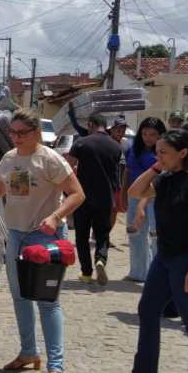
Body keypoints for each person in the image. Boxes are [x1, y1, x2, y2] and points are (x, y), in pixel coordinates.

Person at [113, 130, 188, 373]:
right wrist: (156, 167)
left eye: (163, 152)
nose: (156, 156)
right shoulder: (166, 179)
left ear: (183, 152)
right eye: (156, 152)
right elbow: (135, 192)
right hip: (165, 257)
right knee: (148, 311)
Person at [0, 109, 85, 373]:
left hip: (43, 236)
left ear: (35, 133)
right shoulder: (8, 158)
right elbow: (2, 190)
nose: (16, 137)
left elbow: (78, 194)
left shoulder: (50, 159)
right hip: (16, 234)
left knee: (47, 303)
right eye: (13, 132)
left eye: (22, 132)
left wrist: (56, 217)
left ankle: (56, 368)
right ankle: (28, 352)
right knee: (20, 297)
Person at [68, 113, 122, 285]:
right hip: (105, 197)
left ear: (90, 124)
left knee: (82, 236)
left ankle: (86, 273)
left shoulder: (81, 143)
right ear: (105, 126)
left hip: (82, 197)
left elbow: (68, 168)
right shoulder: (115, 146)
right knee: (102, 234)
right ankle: (101, 259)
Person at [125, 117, 167, 282]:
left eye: (153, 134)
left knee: (155, 235)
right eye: (144, 133)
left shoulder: (162, 153)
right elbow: (127, 172)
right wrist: (123, 195)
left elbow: (153, 182)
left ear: (160, 135)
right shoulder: (133, 149)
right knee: (134, 233)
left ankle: (157, 274)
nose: (148, 137)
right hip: (134, 194)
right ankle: (138, 272)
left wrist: (141, 208)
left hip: (154, 196)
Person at [109, 117, 130, 227]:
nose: (121, 133)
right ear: (111, 129)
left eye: (123, 130)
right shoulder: (106, 142)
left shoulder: (126, 144)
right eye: (118, 130)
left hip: (120, 184)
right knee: (106, 210)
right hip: (107, 184)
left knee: (114, 211)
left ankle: (105, 236)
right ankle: (97, 236)